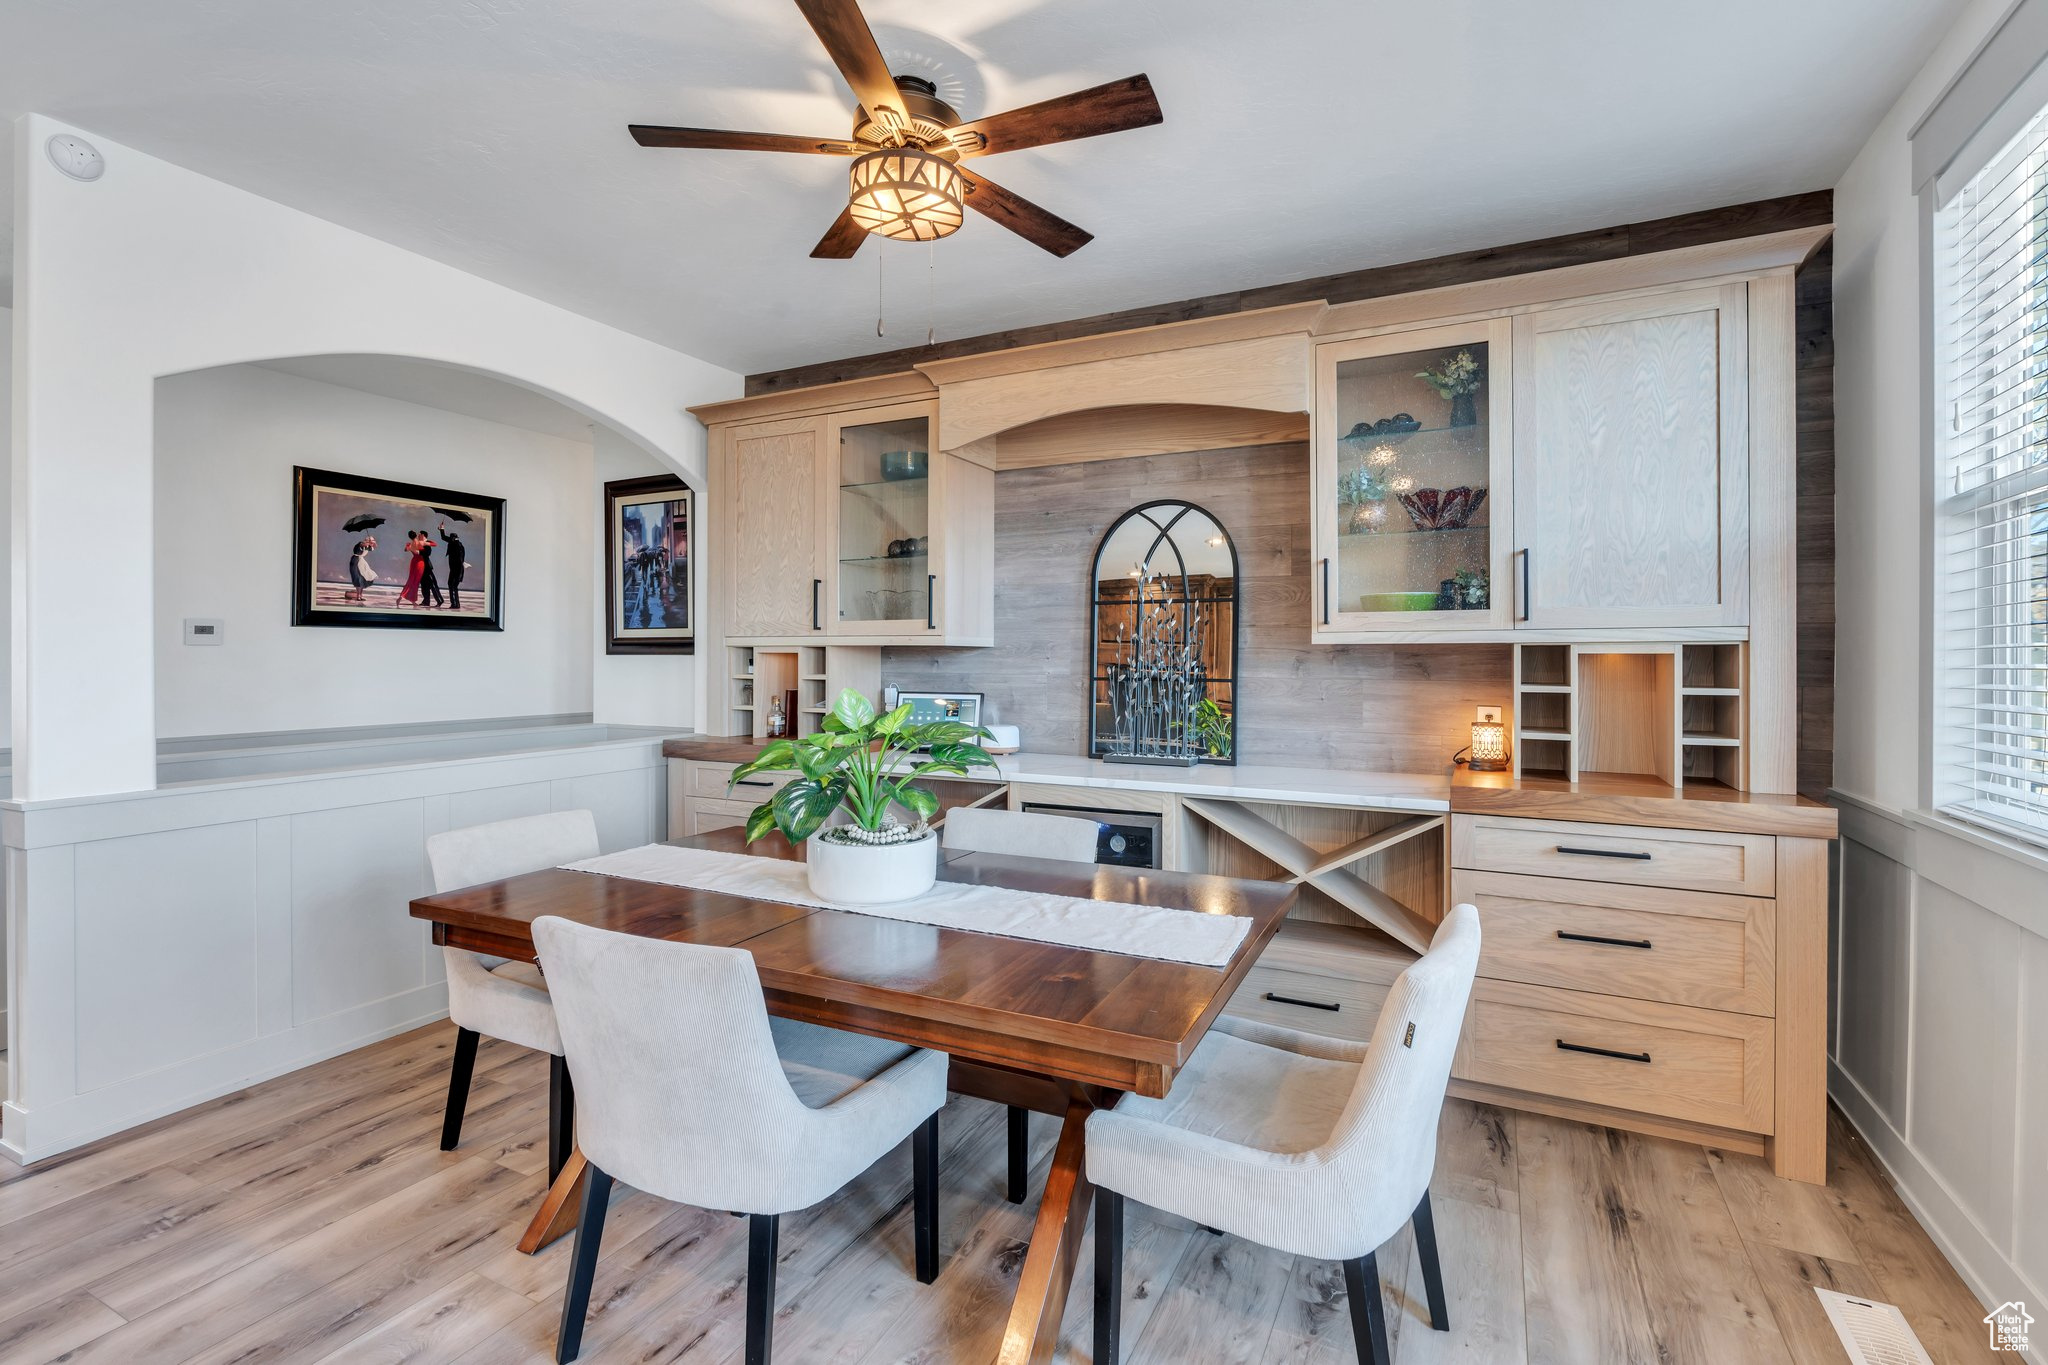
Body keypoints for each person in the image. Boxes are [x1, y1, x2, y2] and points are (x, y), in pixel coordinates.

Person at [416, 530, 445, 609]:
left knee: (432, 584)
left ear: (423, 535)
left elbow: (427, 553)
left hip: (427, 567)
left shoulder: (427, 543)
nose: (418, 536)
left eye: (419, 535)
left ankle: (439, 600)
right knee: (424, 585)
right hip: (422, 567)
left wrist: (419, 550)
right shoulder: (420, 543)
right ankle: (426, 601)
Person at [440, 522, 466, 611]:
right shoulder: (457, 543)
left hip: (456, 569)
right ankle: (456, 604)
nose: (449, 540)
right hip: (456, 569)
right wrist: (441, 529)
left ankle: (455, 604)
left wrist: (442, 529)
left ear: (453, 538)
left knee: (452, 585)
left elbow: (460, 560)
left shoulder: (456, 545)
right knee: (453, 586)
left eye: (451, 539)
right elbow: (444, 537)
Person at [396, 531, 426, 605]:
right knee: (414, 581)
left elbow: (406, 549)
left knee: (413, 581)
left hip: (416, 562)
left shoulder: (411, 544)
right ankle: (407, 598)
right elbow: (418, 552)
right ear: (415, 535)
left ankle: (410, 599)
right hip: (419, 563)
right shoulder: (416, 543)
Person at [347, 534, 379, 604]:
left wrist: (374, 544)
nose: (372, 542)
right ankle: (358, 596)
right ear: (367, 540)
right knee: (358, 579)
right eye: (371, 541)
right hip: (355, 562)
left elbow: (373, 547)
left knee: (362, 579)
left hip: (361, 562)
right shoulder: (361, 544)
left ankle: (360, 596)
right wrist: (369, 542)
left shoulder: (367, 546)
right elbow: (362, 545)